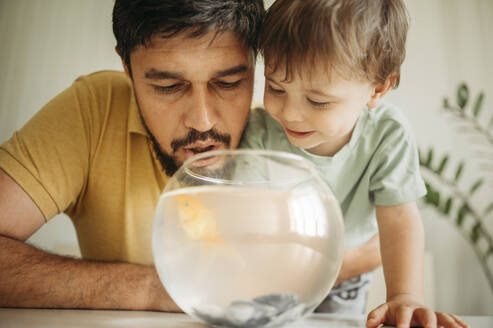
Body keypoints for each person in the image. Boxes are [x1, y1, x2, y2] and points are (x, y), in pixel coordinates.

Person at [0, 0, 381, 312]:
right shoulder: (93, 113)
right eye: (168, 85)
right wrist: (152, 289)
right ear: (127, 68)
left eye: (229, 82)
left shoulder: (294, 130)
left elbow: (376, 239)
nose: (202, 120)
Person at [239, 0, 469, 327]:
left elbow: (400, 218)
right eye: (275, 87)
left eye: (317, 101)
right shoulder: (259, 130)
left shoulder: (386, 135)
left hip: (344, 282)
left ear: (378, 88)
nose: (289, 113)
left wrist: (405, 295)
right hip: (270, 275)